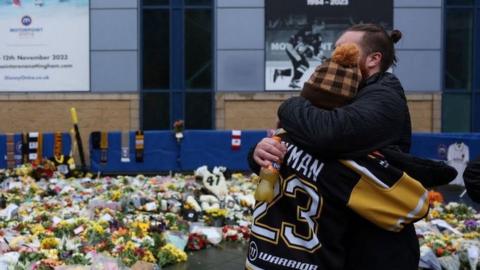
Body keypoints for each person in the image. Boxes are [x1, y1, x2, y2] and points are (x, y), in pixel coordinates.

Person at [246, 44, 433, 270]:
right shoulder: (348, 166)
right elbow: (416, 206)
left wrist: (254, 152)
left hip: (259, 261)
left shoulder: (279, 138)